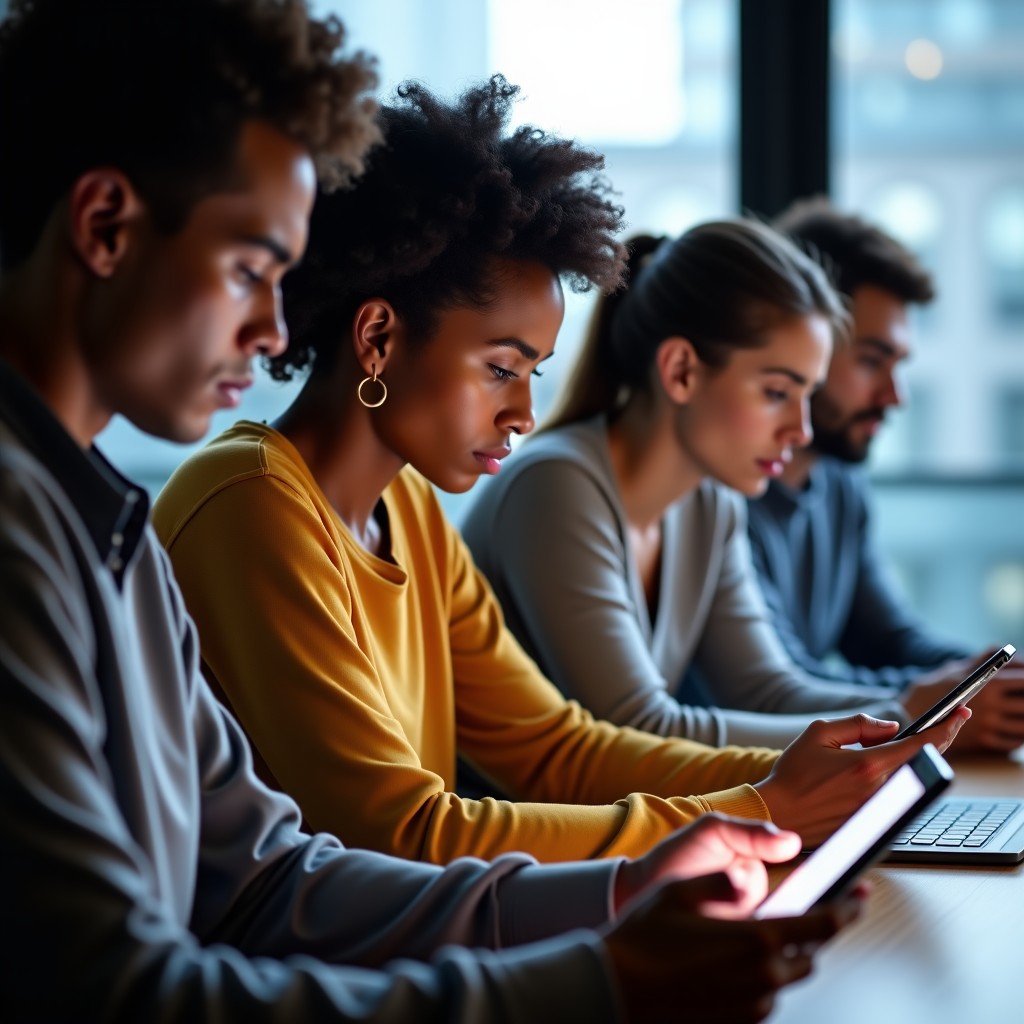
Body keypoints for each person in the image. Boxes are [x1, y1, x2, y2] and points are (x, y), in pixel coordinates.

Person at [0, 3, 862, 1020]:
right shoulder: (172, 514)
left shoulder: (119, 536)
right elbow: (120, 985)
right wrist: (604, 971)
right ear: (105, 226)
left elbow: (275, 874)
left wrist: (631, 885)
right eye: (249, 269)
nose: (275, 323)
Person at [153, 78, 966, 868]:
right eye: (502, 369)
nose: (524, 415)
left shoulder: (407, 505)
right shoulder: (253, 503)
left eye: (535, 374)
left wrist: (797, 774)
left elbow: (555, 749)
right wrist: (755, 809)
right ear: (376, 339)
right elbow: (396, 834)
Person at [462, 221, 972, 750]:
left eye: (807, 394)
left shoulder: (710, 500)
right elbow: (638, 728)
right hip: (511, 827)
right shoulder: (556, 486)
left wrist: (918, 716)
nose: (802, 430)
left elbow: (764, 690)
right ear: (681, 370)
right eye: (777, 392)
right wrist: (901, 721)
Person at [747, 197, 1024, 753]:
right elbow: (775, 685)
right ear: (808, 343)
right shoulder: (723, 492)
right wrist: (935, 706)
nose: (894, 397)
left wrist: (989, 680)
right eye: (873, 361)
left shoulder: (839, 483)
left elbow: (886, 636)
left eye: (898, 365)